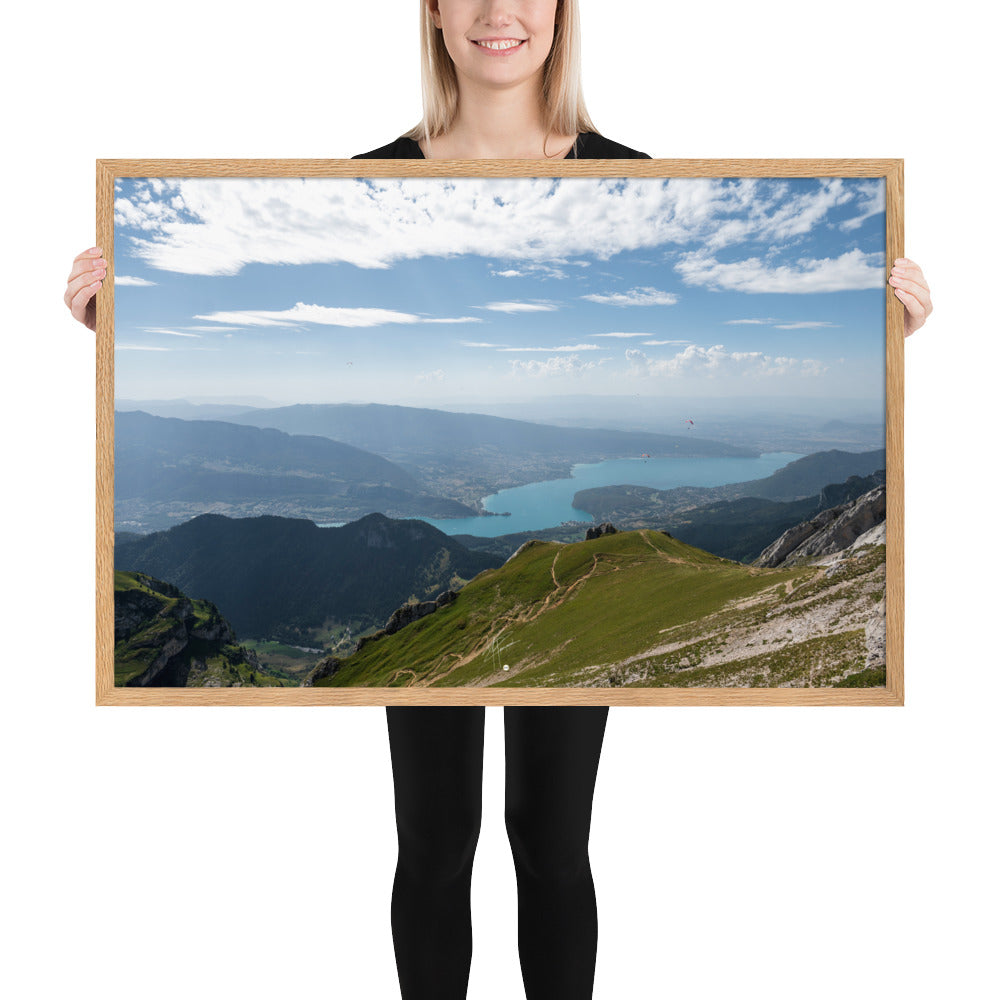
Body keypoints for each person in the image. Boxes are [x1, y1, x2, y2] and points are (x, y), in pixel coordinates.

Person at [64, 2, 933, 998]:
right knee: (435, 844)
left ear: (564, 14)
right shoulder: (363, 184)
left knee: (551, 843)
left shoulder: (634, 182)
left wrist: (887, 347)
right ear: (430, 13)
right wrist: (114, 329)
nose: (496, 12)